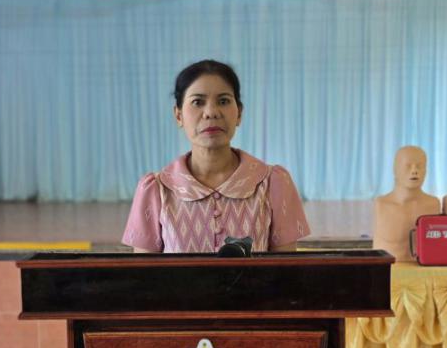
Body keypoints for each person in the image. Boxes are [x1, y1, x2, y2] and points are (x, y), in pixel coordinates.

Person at [122, 60, 310, 253]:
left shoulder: (273, 183)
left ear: (239, 113)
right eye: (198, 102)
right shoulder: (156, 190)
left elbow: (285, 269)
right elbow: (145, 271)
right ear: (178, 115)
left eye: (223, 101)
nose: (211, 112)